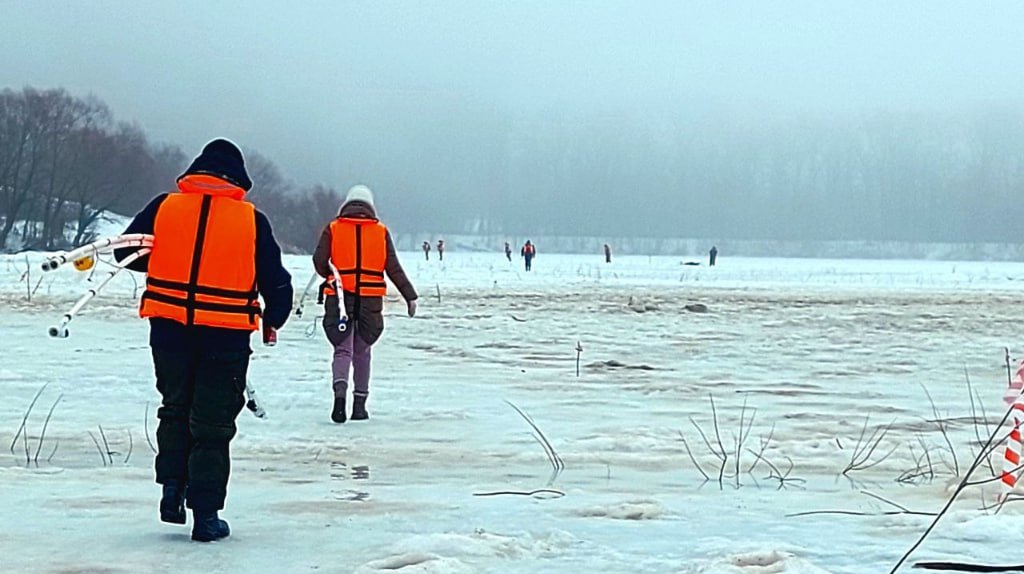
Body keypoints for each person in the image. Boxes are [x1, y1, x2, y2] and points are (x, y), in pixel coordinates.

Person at [115, 139, 293, 542]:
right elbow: (277, 283)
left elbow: (126, 254)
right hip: (226, 337)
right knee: (212, 423)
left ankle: (171, 491)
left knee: (175, 409)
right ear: (238, 178)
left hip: (169, 330)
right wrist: (274, 320)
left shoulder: (164, 206)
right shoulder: (252, 220)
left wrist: (169, 258)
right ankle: (206, 516)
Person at [313, 185, 418, 424]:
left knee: (342, 349)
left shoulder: (333, 228)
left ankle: (339, 396)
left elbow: (319, 261)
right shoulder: (381, 232)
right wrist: (409, 296)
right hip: (370, 301)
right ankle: (359, 406)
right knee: (362, 351)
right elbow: (393, 268)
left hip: (340, 298)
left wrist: (331, 275)